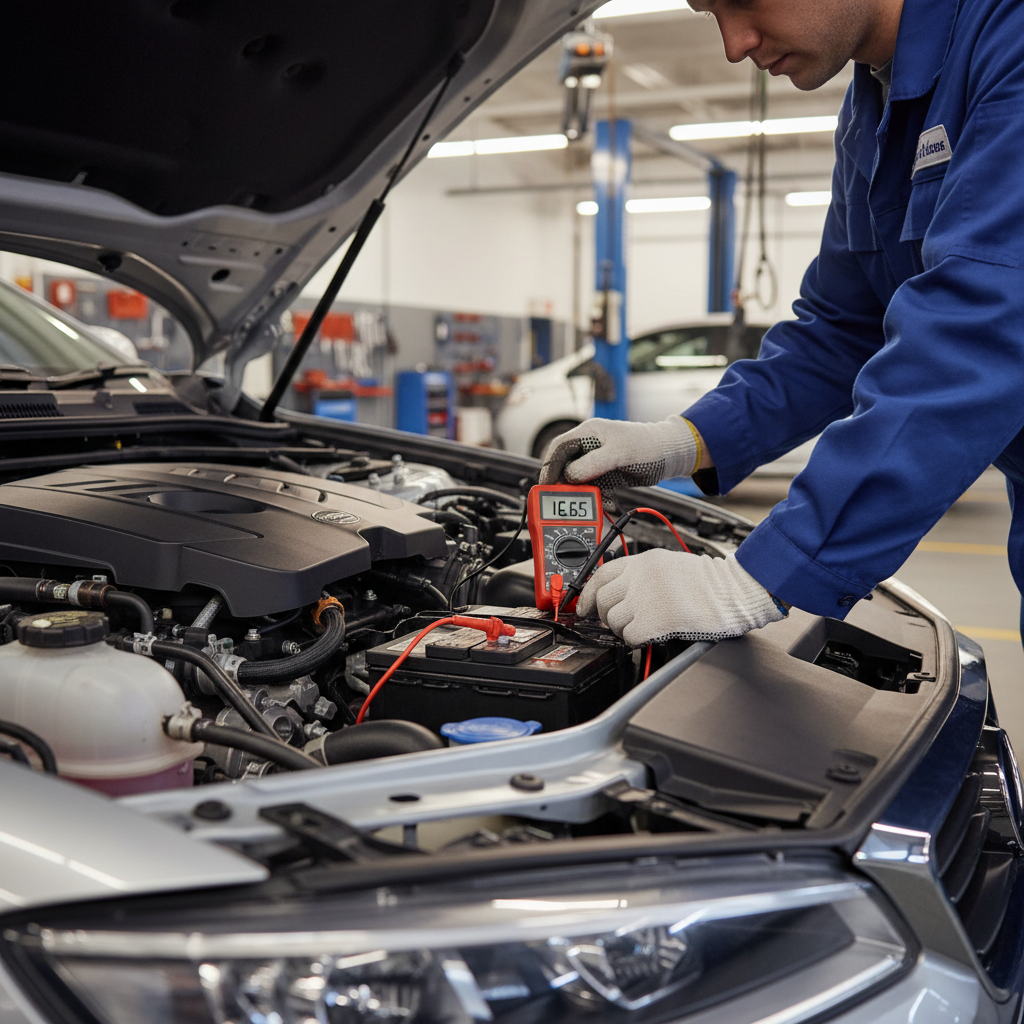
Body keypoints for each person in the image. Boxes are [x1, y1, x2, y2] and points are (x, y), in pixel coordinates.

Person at [541, 0, 1024, 647]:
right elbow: (844, 329)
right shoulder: (870, 113)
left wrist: (761, 577)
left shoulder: (1009, 37)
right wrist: (682, 440)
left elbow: (984, 325)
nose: (734, 45)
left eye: (741, 0)